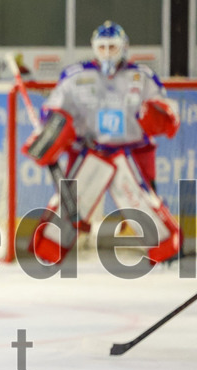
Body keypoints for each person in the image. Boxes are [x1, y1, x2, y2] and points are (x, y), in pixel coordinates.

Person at [25, 21, 181, 265]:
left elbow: (165, 110)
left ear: (124, 47)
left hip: (127, 153)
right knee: (69, 204)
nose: (107, 52)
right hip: (91, 152)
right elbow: (54, 110)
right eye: (102, 47)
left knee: (141, 203)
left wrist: (159, 115)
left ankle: (166, 253)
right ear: (94, 47)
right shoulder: (76, 76)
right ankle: (48, 252)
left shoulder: (141, 76)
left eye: (112, 47)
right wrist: (47, 128)